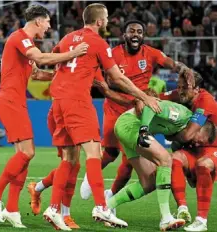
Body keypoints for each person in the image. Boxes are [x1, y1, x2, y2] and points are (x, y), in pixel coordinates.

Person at [42, 3, 161, 231]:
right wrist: (144, 97)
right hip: (77, 101)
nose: (107, 21)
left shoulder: (68, 38)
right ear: (99, 21)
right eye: (106, 18)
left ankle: (54, 208)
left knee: (69, 158)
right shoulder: (98, 43)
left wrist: (41, 72)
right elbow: (117, 78)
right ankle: (101, 206)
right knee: (94, 153)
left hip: (57, 102)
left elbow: (51, 61)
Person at [0, 5, 89, 228]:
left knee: (23, 159)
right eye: (48, 22)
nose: (49, 27)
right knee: (28, 152)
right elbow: (39, 57)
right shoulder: (20, 38)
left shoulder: (27, 45)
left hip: (17, 101)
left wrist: (64, 76)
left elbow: (38, 73)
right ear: (39, 21)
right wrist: (72, 54)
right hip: (9, 100)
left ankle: (12, 209)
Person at [80, 19, 189, 200]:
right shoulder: (114, 54)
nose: (135, 34)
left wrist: (185, 70)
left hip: (137, 110)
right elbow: (105, 85)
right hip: (115, 108)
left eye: (139, 31)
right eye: (131, 31)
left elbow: (171, 63)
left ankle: (111, 196)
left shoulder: (150, 53)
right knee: (111, 151)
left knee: (130, 162)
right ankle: (90, 176)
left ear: (143, 35)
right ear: (124, 35)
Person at [106, 90, 216, 231]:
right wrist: (144, 129)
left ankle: (105, 207)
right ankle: (166, 218)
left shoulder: (182, 134)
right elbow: (151, 105)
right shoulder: (181, 115)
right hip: (131, 125)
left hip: (130, 127)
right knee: (165, 159)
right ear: (199, 129)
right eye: (198, 141)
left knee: (149, 182)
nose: (195, 145)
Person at [27, 70, 104, 229]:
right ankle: (63, 214)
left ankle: (39, 189)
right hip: (63, 113)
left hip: (72, 110)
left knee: (71, 165)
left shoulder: (78, 61)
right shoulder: (74, 56)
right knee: (71, 164)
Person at [161, 70, 217, 231]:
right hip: (194, 149)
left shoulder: (206, 102)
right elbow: (157, 96)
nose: (180, 91)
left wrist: (170, 136)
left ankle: (202, 220)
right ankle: (182, 210)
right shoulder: (182, 94)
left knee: (203, 165)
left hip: (213, 148)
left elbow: (187, 136)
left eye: (184, 88)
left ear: (196, 89)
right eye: (178, 87)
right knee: (172, 159)